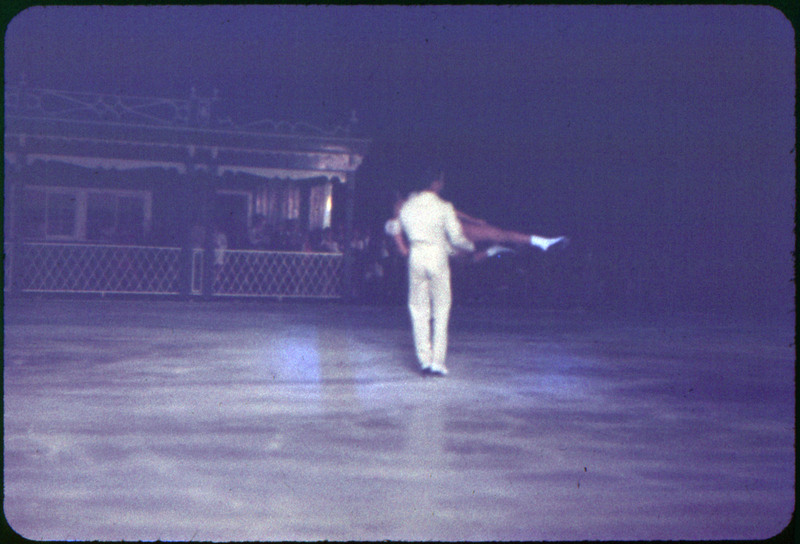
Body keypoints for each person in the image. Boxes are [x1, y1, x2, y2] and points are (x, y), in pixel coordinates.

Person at [397, 171, 475, 376]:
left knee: (417, 309)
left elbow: (401, 228)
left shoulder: (407, 207)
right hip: (437, 257)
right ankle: (438, 362)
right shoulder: (444, 207)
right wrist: (470, 246)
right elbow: (456, 238)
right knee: (441, 309)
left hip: (416, 255)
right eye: (441, 180)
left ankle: (424, 360)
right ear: (435, 183)